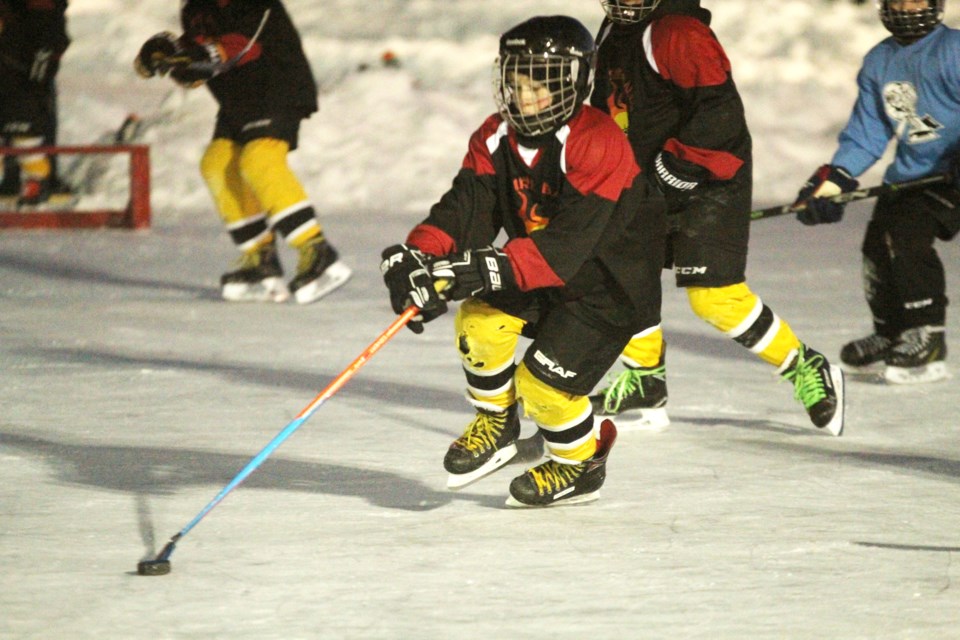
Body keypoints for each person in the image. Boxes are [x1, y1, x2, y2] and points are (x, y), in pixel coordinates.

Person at [380, 15, 666, 507]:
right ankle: (497, 421)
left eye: (541, 84)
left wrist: (485, 268)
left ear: (574, 84)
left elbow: (569, 245)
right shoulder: (495, 136)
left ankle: (581, 464)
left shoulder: (597, 140)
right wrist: (417, 255)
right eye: (515, 81)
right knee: (479, 322)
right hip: (537, 269)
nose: (525, 96)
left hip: (606, 286)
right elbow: (466, 207)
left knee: (543, 387)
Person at [588, 0, 845, 436]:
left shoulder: (678, 33)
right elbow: (609, 111)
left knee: (714, 297)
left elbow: (719, 112)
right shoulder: (614, 31)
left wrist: (681, 169)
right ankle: (645, 379)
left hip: (709, 175)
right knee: (626, 270)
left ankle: (806, 365)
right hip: (650, 177)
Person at [134, 0, 350, 304]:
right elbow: (197, 68)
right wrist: (168, 56)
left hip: (277, 88)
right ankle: (260, 261)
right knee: (217, 163)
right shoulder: (195, 9)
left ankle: (317, 250)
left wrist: (192, 56)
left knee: (260, 159)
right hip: (238, 100)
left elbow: (241, 46)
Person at [793, 0, 957, 385]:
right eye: (898, 0)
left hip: (949, 175)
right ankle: (891, 332)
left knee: (905, 236)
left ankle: (927, 334)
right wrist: (832, 185)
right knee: (876, 249)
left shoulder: (954, 50)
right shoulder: (879, 61)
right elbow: (867, 134)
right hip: (908, 176)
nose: (906, 8)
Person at [0, 0, 70, 207]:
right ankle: (16, 182)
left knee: (28, 127)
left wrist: (39, 70)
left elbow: (49, 32)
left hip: (24, 68)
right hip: (14, 62)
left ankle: (38, 182)